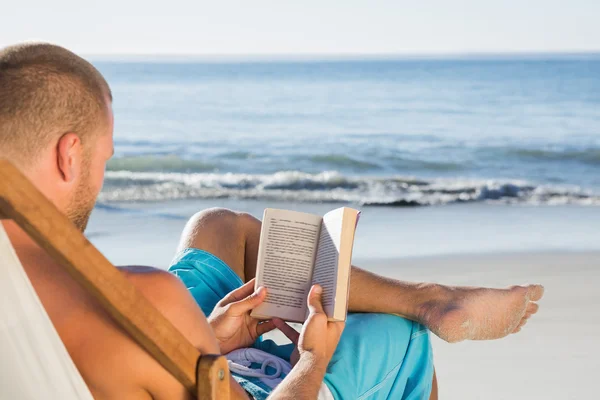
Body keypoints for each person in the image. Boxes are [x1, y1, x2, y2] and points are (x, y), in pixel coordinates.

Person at [0, 42, 544, 400]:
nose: (100, 175)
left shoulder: (51, 298)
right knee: (400, 339)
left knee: (219, 228)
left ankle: (430, 295)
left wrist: (207, 338)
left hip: (112, 365)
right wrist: (313, 358)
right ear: (69, 156)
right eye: (104, 159)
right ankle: (422, 308)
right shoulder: (141, 300)